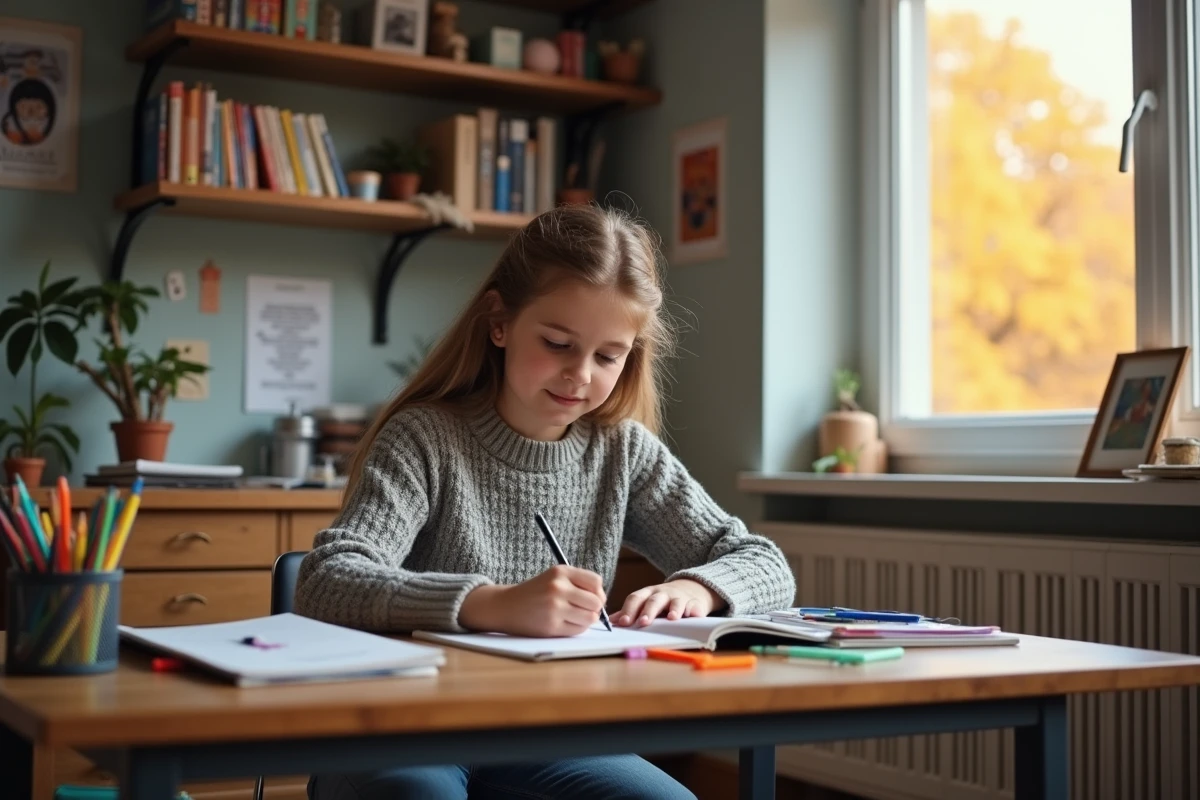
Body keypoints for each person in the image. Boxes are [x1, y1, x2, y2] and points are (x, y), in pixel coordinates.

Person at [295, 203, 796, 800]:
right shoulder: (424, 438)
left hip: (547, 735)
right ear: (499, 323)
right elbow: (326, 581)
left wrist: (698, 588)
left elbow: (765, 562)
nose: (580, 374)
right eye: (558, 343)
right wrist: (490, 605)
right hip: (400, 726)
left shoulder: (621, 452)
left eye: (609, 356)